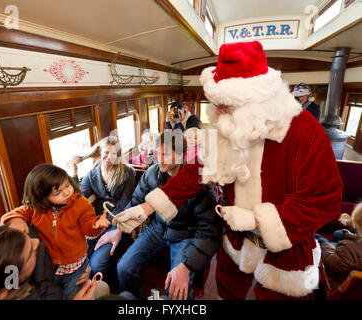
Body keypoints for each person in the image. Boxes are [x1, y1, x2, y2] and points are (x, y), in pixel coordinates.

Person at [113, 41, 344, 300]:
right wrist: (146, 208)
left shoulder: (304, 130)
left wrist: (256, 219)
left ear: (259, 99)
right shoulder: (225, 127)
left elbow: (324, 200)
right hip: (235, 247)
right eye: (217, 104)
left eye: (228, 105)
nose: (219, 112)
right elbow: (193, 175)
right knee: (226, 292)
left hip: (286, 254)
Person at [116, 131, 222, 300]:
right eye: (158, 154)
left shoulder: (200, 184)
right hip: (157, 229)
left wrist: (186, 266)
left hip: (184, 234)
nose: (160, 160)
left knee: (178, 290)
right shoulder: (151, 174)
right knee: (124, 267)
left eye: (165, 154)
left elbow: (210, 231)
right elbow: (136, 202)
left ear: (181, 155)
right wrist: (118, 229)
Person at [0, 164, 110, 300]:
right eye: (57, 192)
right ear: (42, 197)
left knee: (71, 295)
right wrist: (15, 219)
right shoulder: (36, 208)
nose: (67, 192)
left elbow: (87, 225)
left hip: (75, 266)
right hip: (50, 267)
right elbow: (16, 212)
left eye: (68, 185)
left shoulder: (80, 203)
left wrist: (95, 225)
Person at [0, 226, 101, 300]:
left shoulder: (10, 277)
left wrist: (78, 263)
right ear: (0, 295)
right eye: (31, 252)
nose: (37, 243)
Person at [67, 136, 136, 282]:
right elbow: (78, 198)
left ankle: (108, 288)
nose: (109, 157)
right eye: (106, 152)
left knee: (97, 264)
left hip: (119, 222)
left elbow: (125, 203)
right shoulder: (92, 174)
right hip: (96, 222)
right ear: (99, 152)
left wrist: (106, 223)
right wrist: (74, 174)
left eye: (113, 153)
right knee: (81, 260)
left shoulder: (128, 173)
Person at [321, 203, 362, 289]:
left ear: (354, 224)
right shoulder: (349, 247)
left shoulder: (348, 247)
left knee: (321, 241)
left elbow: (333, 263)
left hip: (339, 284)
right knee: (338, 234)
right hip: (352, 254)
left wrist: (327, 245)